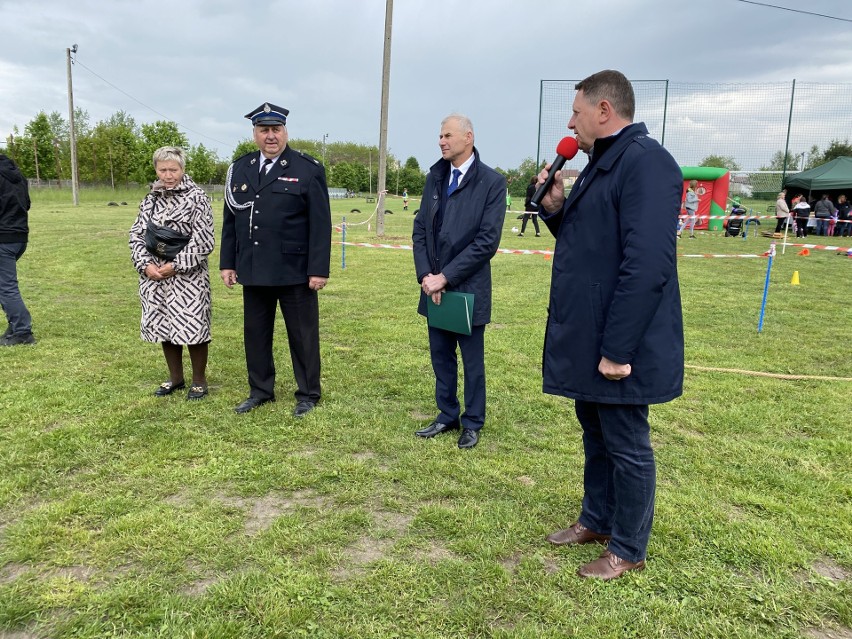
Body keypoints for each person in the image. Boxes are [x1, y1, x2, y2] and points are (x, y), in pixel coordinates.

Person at [536, 70, 683, 580]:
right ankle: (596, 521)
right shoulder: (603, 164)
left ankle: (628, 548)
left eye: (576, 111)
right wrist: (555, 208)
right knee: (595, 434)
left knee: (627, 445)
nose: (570, 121)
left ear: (603, 110)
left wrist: (618, 350)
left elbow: (646, 267)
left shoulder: (646, 164)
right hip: (589, 332)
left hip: (622, 342)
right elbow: (589, 244)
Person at [220, 103, 332, 417]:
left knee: (303, 335)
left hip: (294, 270)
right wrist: (228, 263)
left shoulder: (306, 168)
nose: (271, 136)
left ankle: (308, 393)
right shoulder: (239, 169)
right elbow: (232, 222)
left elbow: (320, 225)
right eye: (264, 130)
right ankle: (260, 390)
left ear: (285, 131)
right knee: (255, 333)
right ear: (254, 133)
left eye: (276, 129)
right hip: (253, 268)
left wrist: (318, 270)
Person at [412, 114, 506, 450]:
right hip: (433, 287)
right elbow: (421, 229)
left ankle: (473, 422)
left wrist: (445, 277)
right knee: (441, 357)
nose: (441, 141)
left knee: (472, 361)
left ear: (469, 137)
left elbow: (486, 242)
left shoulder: (492, 183)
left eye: (447, 135)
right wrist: (426, 275)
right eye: (440, 136)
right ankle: (447, 415)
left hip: (466, 289)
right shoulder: (435, 177)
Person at [129, 147, 215, 399]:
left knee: (193, 325)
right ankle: (175, 378)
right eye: (163, 169)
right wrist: (145, 265)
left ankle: (199, 380)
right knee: (164, 324)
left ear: (182, 169)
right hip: (154, 275)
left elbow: (204, 240)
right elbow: (136, 234)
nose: (168, 175)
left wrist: (174, 266)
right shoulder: (150, 198)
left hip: (188, 276)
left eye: (173, 170)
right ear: (156, 170)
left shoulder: (197, 197)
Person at [0, 154, 35, 346]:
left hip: (3, 238)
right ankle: (15, 325)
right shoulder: (17, 175)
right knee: (4, 285)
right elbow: (26, 204)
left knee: (6, 287)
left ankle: (22, 331)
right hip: (20, 237)